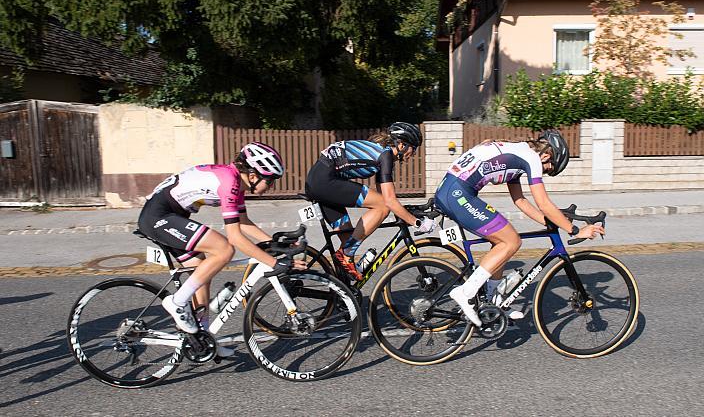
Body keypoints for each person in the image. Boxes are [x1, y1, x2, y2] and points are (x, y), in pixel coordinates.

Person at [137, 142, 305, 355]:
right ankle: (177, 302)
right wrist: (274, 262)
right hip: (158, 217)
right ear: (253, 176)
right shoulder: (229, 182)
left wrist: (275, 244)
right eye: (270, 181)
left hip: (170, 217)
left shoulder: (236, 181)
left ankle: (203, 339)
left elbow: (243, 223)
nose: (270, 186)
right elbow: (235, 237)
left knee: (201, 272)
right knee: (223, 249)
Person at [435, 129, 605, 326]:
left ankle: (493, 301)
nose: (547, 171)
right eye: (550, 168)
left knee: (501, 241)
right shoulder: (531, 158)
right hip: (458, 194)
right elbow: (543, 202)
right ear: (547, 155)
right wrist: (574, 230)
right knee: (512, 241)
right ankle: (465, 293)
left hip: (453, 190)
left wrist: (549, 221)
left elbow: (520, 201)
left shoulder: (517, 155)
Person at [305, 122, 436, 281]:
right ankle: (346, 255)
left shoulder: (381, 153)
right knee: (379, 210)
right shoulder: (385, 156)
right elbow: (387, 202)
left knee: (349, 239)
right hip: (325, 182)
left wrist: (406, 213)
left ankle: (341, 292)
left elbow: (386, 195)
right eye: (413, 148)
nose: (413, 153)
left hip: (318, 182)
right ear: (401, 145)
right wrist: (417, 223)